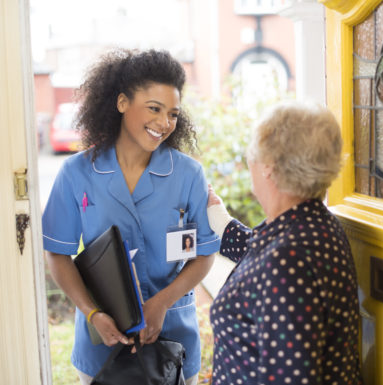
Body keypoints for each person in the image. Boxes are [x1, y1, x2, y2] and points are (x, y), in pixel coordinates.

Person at [42, 49, 220, 385]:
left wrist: (162, 303)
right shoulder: (76, 173)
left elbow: (205, 254)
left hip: (174, 345)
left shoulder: (189, 175)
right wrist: (93, 314)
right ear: (122, 102)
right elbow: (58, 254)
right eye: (154, 109)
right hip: (101, 350)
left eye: (173, 114)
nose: (164, 123)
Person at [207, 102, 363, 384]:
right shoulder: (314, 225)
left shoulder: (288, 261)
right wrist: (218, 220)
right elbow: (261, 258)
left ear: (268, 167)